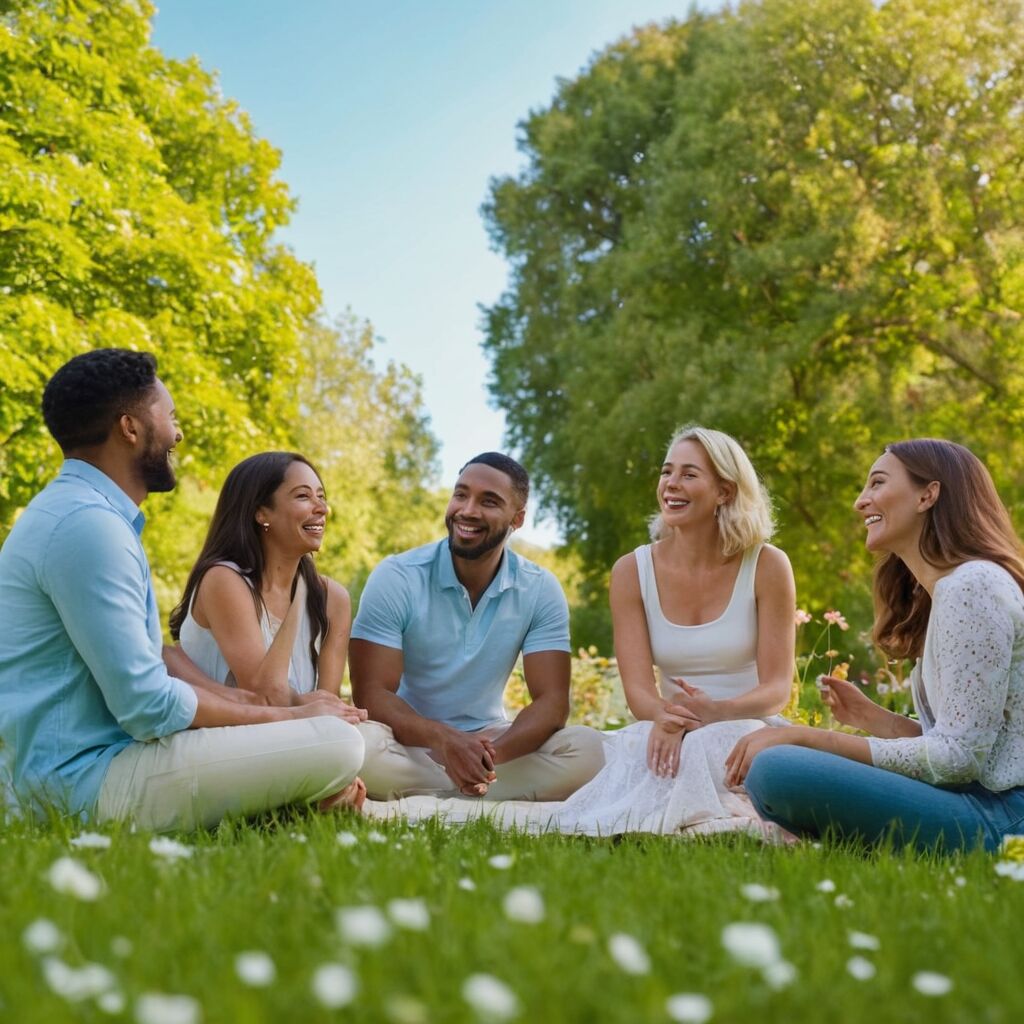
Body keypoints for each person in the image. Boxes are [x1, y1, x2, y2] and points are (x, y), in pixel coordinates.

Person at [0, 349, 365, 831]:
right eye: (169, 417)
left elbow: (153, 665)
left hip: (95, 762)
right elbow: (147, 705)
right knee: (337, 744)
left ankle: (281, 805)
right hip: (80, 785)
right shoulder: (88, 528)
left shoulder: (85, 517)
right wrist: (276, 716)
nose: (178, 433)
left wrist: (266, 711)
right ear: (130, 428)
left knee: (333, 737)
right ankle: (283, 808)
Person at [372, 426, 797, 836]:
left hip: (740, 723)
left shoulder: (767, 565)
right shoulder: (633, 569)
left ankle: (449, 786)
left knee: (594, 752)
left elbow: (777, 689)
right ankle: (454, 781)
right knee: (611, 754)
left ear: (725, 490)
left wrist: (714, 712)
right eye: (667, 472)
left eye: (689, 474)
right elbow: (640, 696)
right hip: (662, 730)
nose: (671, 483)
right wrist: (666, 716)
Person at [731, 439, 1024, 852]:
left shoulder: (972, 587)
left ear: (928, 494)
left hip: (1004, 817)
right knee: (768, 745)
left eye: (877, 483)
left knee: (777, 769)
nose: (859, 502)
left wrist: (809, 739)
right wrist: (876, 720)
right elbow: (970, 748)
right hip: (983, 801)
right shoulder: (951, 591)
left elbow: (959, 761)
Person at [350, 452, 605, 801]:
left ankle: (442, 791)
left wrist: (482, 758)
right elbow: (372, 694)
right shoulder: (397, 576)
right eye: (460, 494)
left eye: (489, 501)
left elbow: (552, 702)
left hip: (493, 743)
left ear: (517, 519)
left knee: (590, 750)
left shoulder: (540, 588)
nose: (467, 510)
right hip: (407, 741)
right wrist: (444, 740)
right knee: (357, 747)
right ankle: (477, 794)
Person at [170, 452, 362, 709]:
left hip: (297, 737)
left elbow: (329, 704)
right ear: (262, 514)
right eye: (303, 496)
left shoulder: (333, 599)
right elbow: (266, 696)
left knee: (379, 739)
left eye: (321, 496)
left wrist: (315, 707)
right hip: (223, 735)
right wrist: (306, 704)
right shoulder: (224, 581)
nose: (322, 508)